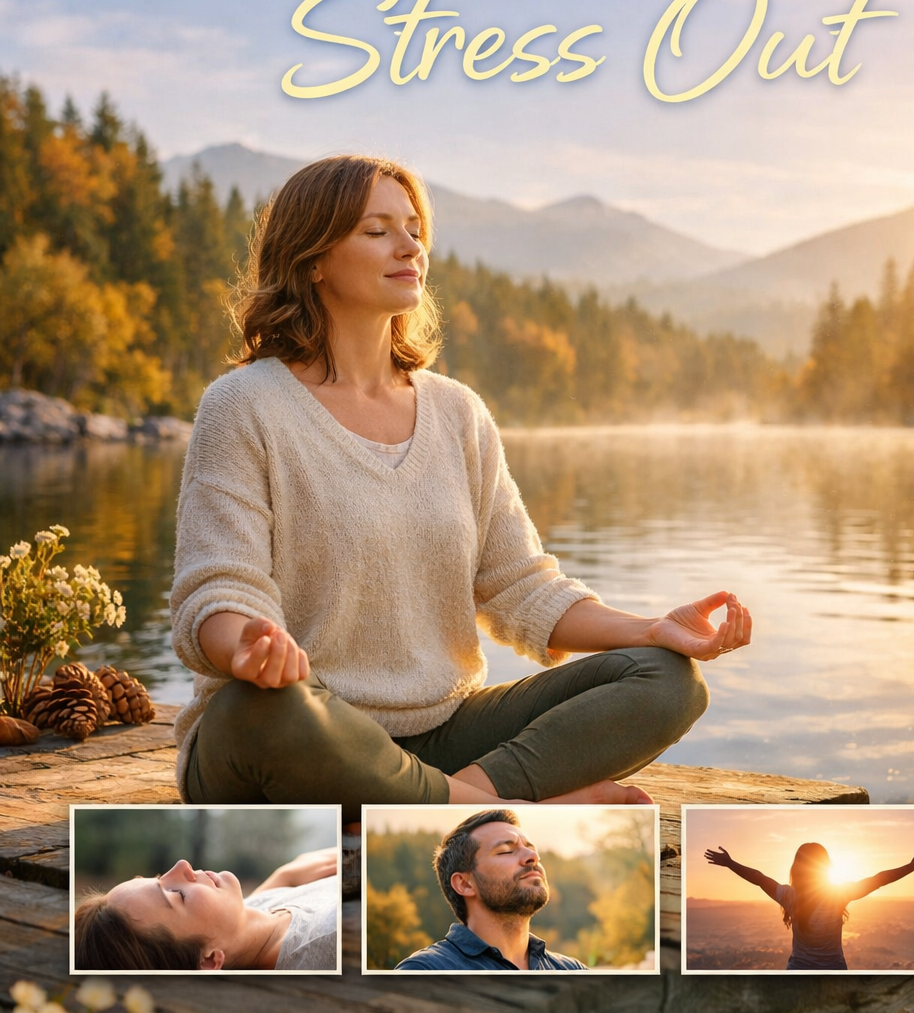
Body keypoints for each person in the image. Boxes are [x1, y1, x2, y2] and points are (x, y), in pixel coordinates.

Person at [171, 155, 752, 819]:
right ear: (313, 260)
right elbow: (218, 589)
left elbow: (522, 588)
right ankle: (504, 813)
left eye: (415, 229)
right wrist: (248, 645)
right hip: (295, 732)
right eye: (377, 230)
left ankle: (444, 804)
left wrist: (650, 627)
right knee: (260, 712)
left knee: (665, 680)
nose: (409, 246)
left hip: (439, 738)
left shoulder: (457, 413)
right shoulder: (245, 405)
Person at [74, 848, 339, 972]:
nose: (182, 865)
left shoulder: (246, 922)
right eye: (177, 895)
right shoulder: (330, 937)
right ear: (209, 960)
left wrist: (286, 876)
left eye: (158, 877)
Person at [395, 809, 585, 971]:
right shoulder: (425, 971)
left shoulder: (574, 971)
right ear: (465, 884)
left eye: (531, 849)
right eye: (505, 851)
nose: (532, 856)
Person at [704, 840, 914, 970]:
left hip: (798, 970)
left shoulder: (789, 896)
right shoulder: (838, 894)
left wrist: (730, 863)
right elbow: (877, 880)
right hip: (834, 969)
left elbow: (759, 878)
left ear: (797, 868)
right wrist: (910, 867)